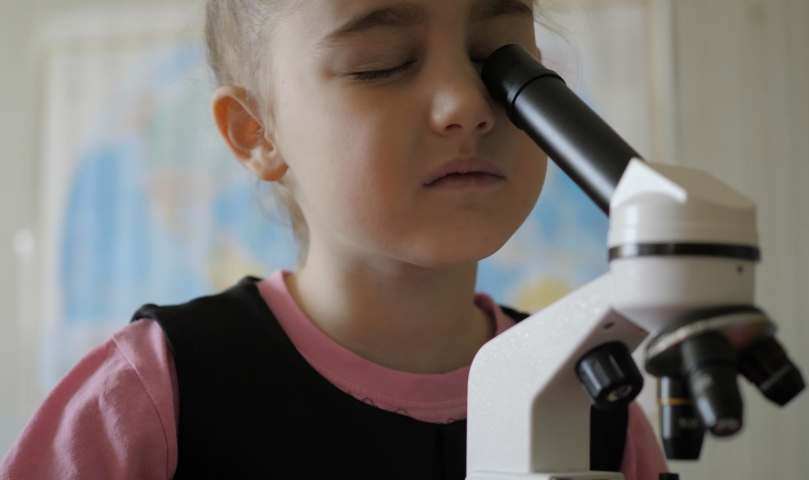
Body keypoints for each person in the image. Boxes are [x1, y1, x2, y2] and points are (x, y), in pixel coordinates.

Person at [1, 0, 669, 478]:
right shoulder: (151, 396)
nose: (465, 103)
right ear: (257, 132)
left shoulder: (589, 401)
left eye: (498, 61)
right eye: (381, 64)